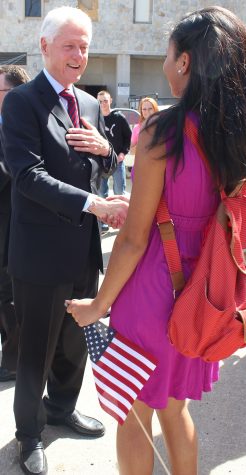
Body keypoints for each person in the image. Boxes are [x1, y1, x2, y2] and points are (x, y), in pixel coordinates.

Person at [66, 6, 246, 475]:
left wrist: (97, 306)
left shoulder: (163, 131)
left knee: (134, 416)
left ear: (185, 62)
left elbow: (134, 240)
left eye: (168, 52)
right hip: (207, 296)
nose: (163, 62)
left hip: (155, 292)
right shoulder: (239, 131)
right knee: (175, 408)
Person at [1, 6, 128, 475]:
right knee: (36, 347)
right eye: (70, 45)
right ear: (44, 46)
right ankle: (28, 434)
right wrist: (95, 205)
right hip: (38, 254)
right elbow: (27, 175)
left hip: (83, 252)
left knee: (75, 340)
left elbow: (104, 168)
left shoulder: (91, 104)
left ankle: (62, 408)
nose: (79, 55)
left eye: (85, 47)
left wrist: (106, 150)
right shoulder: (22, 102)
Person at [0, 65, 30, 382]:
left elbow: (8, 169)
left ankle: (12, 361)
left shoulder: (19, 126)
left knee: (8, 297)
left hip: (12, 230)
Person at [97, 90, 132, 233]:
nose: (103, 104)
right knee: (102, 194)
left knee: (119, 192)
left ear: (110, 100)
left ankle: (124, 222)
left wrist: (123, 153)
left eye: (105, 100)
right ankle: (103, 224)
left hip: (117, 162)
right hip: (101, 163)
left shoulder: (119, 118)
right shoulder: (95, 118)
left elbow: (128, 137)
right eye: (100, 101)